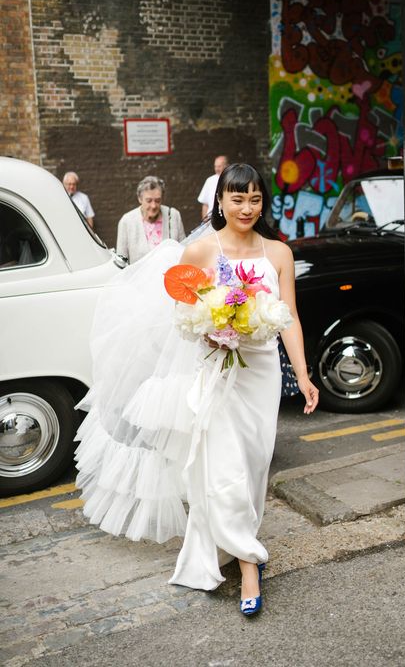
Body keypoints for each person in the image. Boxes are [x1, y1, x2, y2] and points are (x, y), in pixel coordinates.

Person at [74, 163, 318, 618]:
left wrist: (302, 375)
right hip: (218, 374)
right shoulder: (201, 251)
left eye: (255, 199)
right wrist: (210, 331)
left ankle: (235, 541)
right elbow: (181, 316)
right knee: (224, 468)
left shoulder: (279, 253)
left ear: (263, 203)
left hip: (261, 373)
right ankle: (249, 564)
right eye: (237, 198)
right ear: (219, 202)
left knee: (253, 466)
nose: (247, 208)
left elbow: (291, 320)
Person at [116, 175, 186, 264]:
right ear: (140, 199)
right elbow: (121, 261)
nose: (153, 206)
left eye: (157, 201)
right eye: (149, 201)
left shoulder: (173, 215)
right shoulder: (127, 221)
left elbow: (184, 251)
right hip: (140, 276)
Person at [197, 154, 229, 219]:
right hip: (211, 219)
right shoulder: (210, 180)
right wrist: (204, 219)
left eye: (219, 166)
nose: (217, 169)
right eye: (215, 166)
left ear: (226, 166)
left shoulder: (232, 179)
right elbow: (205, 203)